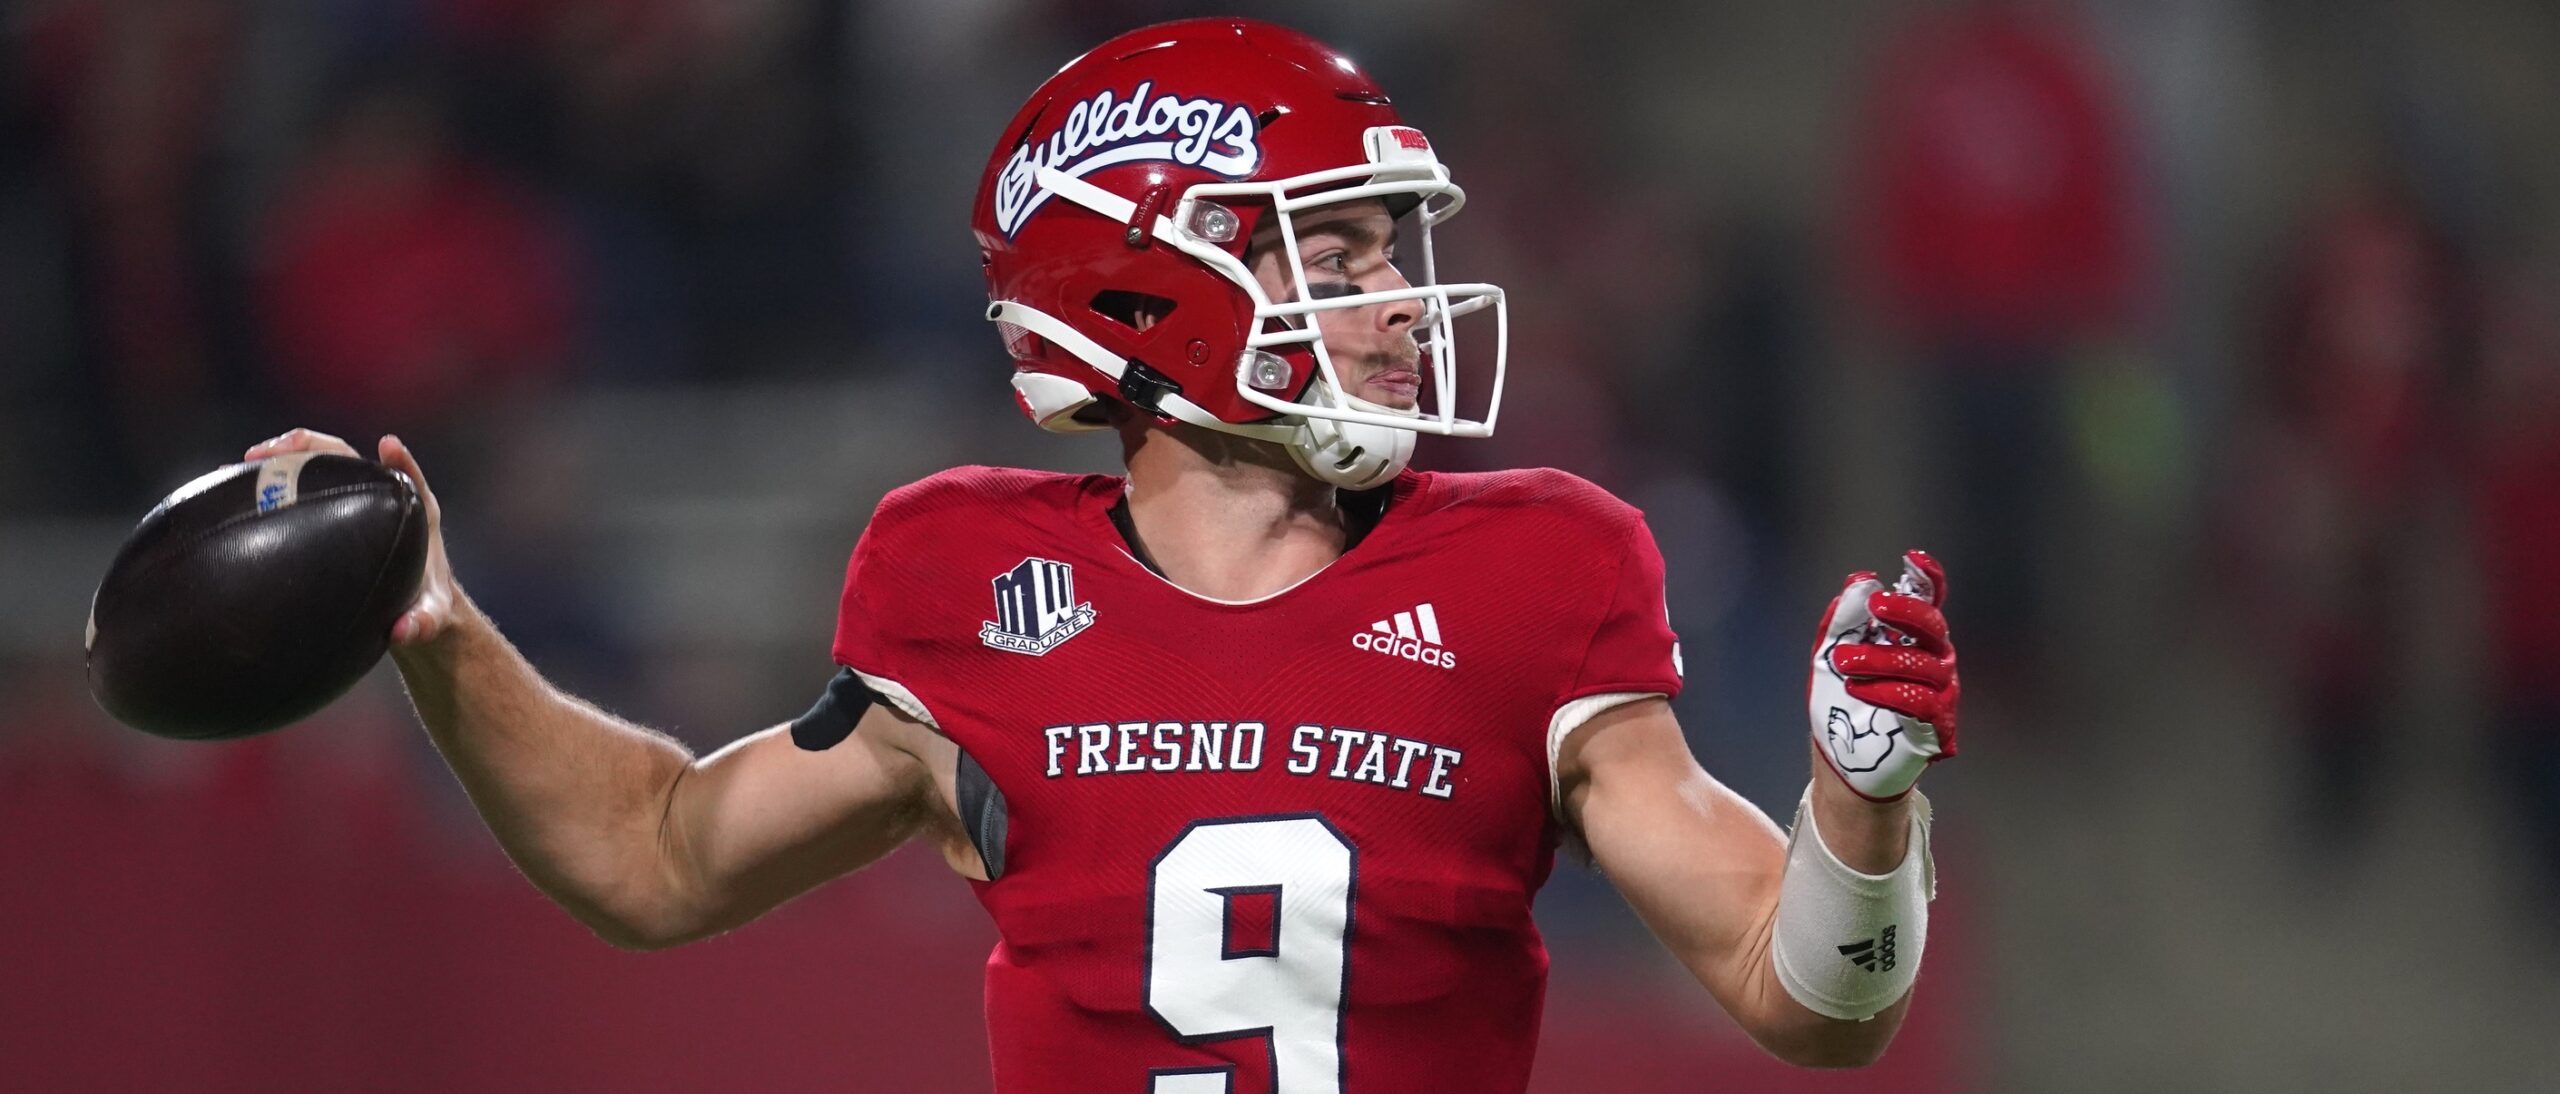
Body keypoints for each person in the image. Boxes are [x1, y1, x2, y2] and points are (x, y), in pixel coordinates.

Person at [246, 19, 1961, 1093]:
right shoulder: (966, 582)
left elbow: (1813, 999)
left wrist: (1861, 804)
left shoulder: (1535, 569)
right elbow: (658, 855)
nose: (1396, 305)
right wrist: (437, 624)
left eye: (1389, 252)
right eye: (1336, 256)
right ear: (1150, 287)